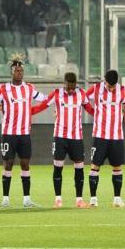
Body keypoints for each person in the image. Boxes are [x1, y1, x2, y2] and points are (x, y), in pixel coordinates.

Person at [0, 58, 47, 208]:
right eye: (16, 70)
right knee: (8, 164)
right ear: (11, 72)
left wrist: (56, 99)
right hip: (8, 134)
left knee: (25, 164)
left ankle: (27, 199)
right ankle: (5, 198)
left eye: (21, 70)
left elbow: (43, 98)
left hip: (24, 134)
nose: (19, 73)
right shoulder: (3, 89)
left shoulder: (29, 88)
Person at [32, 71, 89, 209]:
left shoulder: (81, 94)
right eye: (69, 87)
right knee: (58, 167)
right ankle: (58, 199)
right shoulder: (56, 94)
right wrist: (25, 111)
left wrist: (102, 114)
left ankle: (79, 200)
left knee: (79, 168)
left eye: (73, 87)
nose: (71, 90)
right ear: (64, 84)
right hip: (60, 137)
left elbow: (90, 109)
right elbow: (42, 106)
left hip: (76, 137)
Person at [85, 69, 125, 208]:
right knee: (95, 166)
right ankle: (93, 199)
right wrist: (93, 112)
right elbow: (83, 99)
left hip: (116, 136)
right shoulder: (96, 88)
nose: (110, 88)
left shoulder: (123, 91)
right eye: (108, 86)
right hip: (100, 135)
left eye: (113, 86)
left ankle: (117, 199)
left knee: (117, 166)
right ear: (104, 80)